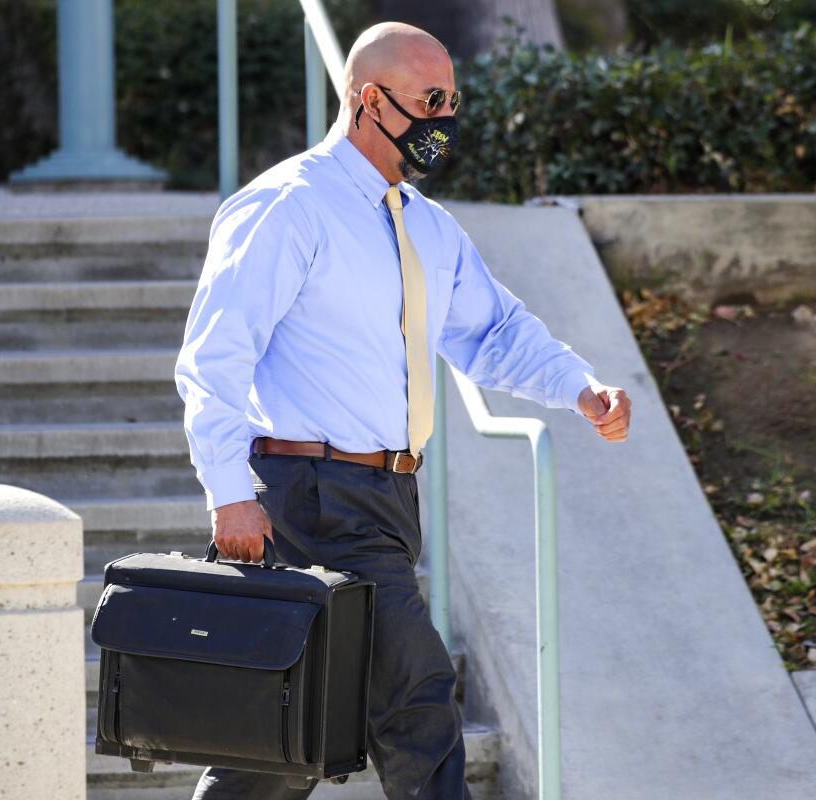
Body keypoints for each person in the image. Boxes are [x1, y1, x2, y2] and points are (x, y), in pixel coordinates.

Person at [174, 21, 631, 800]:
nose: (443, 119)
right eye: (429, 100)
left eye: (451, 101)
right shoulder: (289, 206)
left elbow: (492, 330)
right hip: (304, 493)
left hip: (387, 497)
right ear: (366, 99)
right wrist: (227, 490)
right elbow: (214, 354)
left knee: (289, 730)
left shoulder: (422, 220)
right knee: (417, 702)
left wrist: (578, 388)